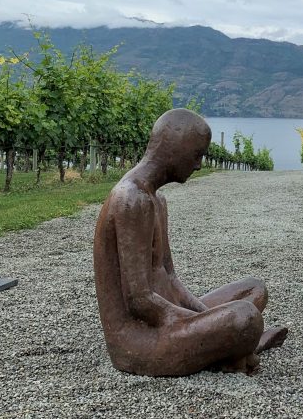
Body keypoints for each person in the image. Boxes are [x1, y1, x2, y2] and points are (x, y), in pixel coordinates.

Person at [93, 108, 287, 376]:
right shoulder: (131, 199)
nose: (198, 165)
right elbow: (139, 300)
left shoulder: (157, 200)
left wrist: (207, 317)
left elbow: (170, 278)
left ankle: (232, 346)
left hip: (168, 314)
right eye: (197, 155)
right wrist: (211, 322)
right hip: (141, 340)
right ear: (176, 148)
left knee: (254, 290)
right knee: (246, 317)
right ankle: (237, 349)